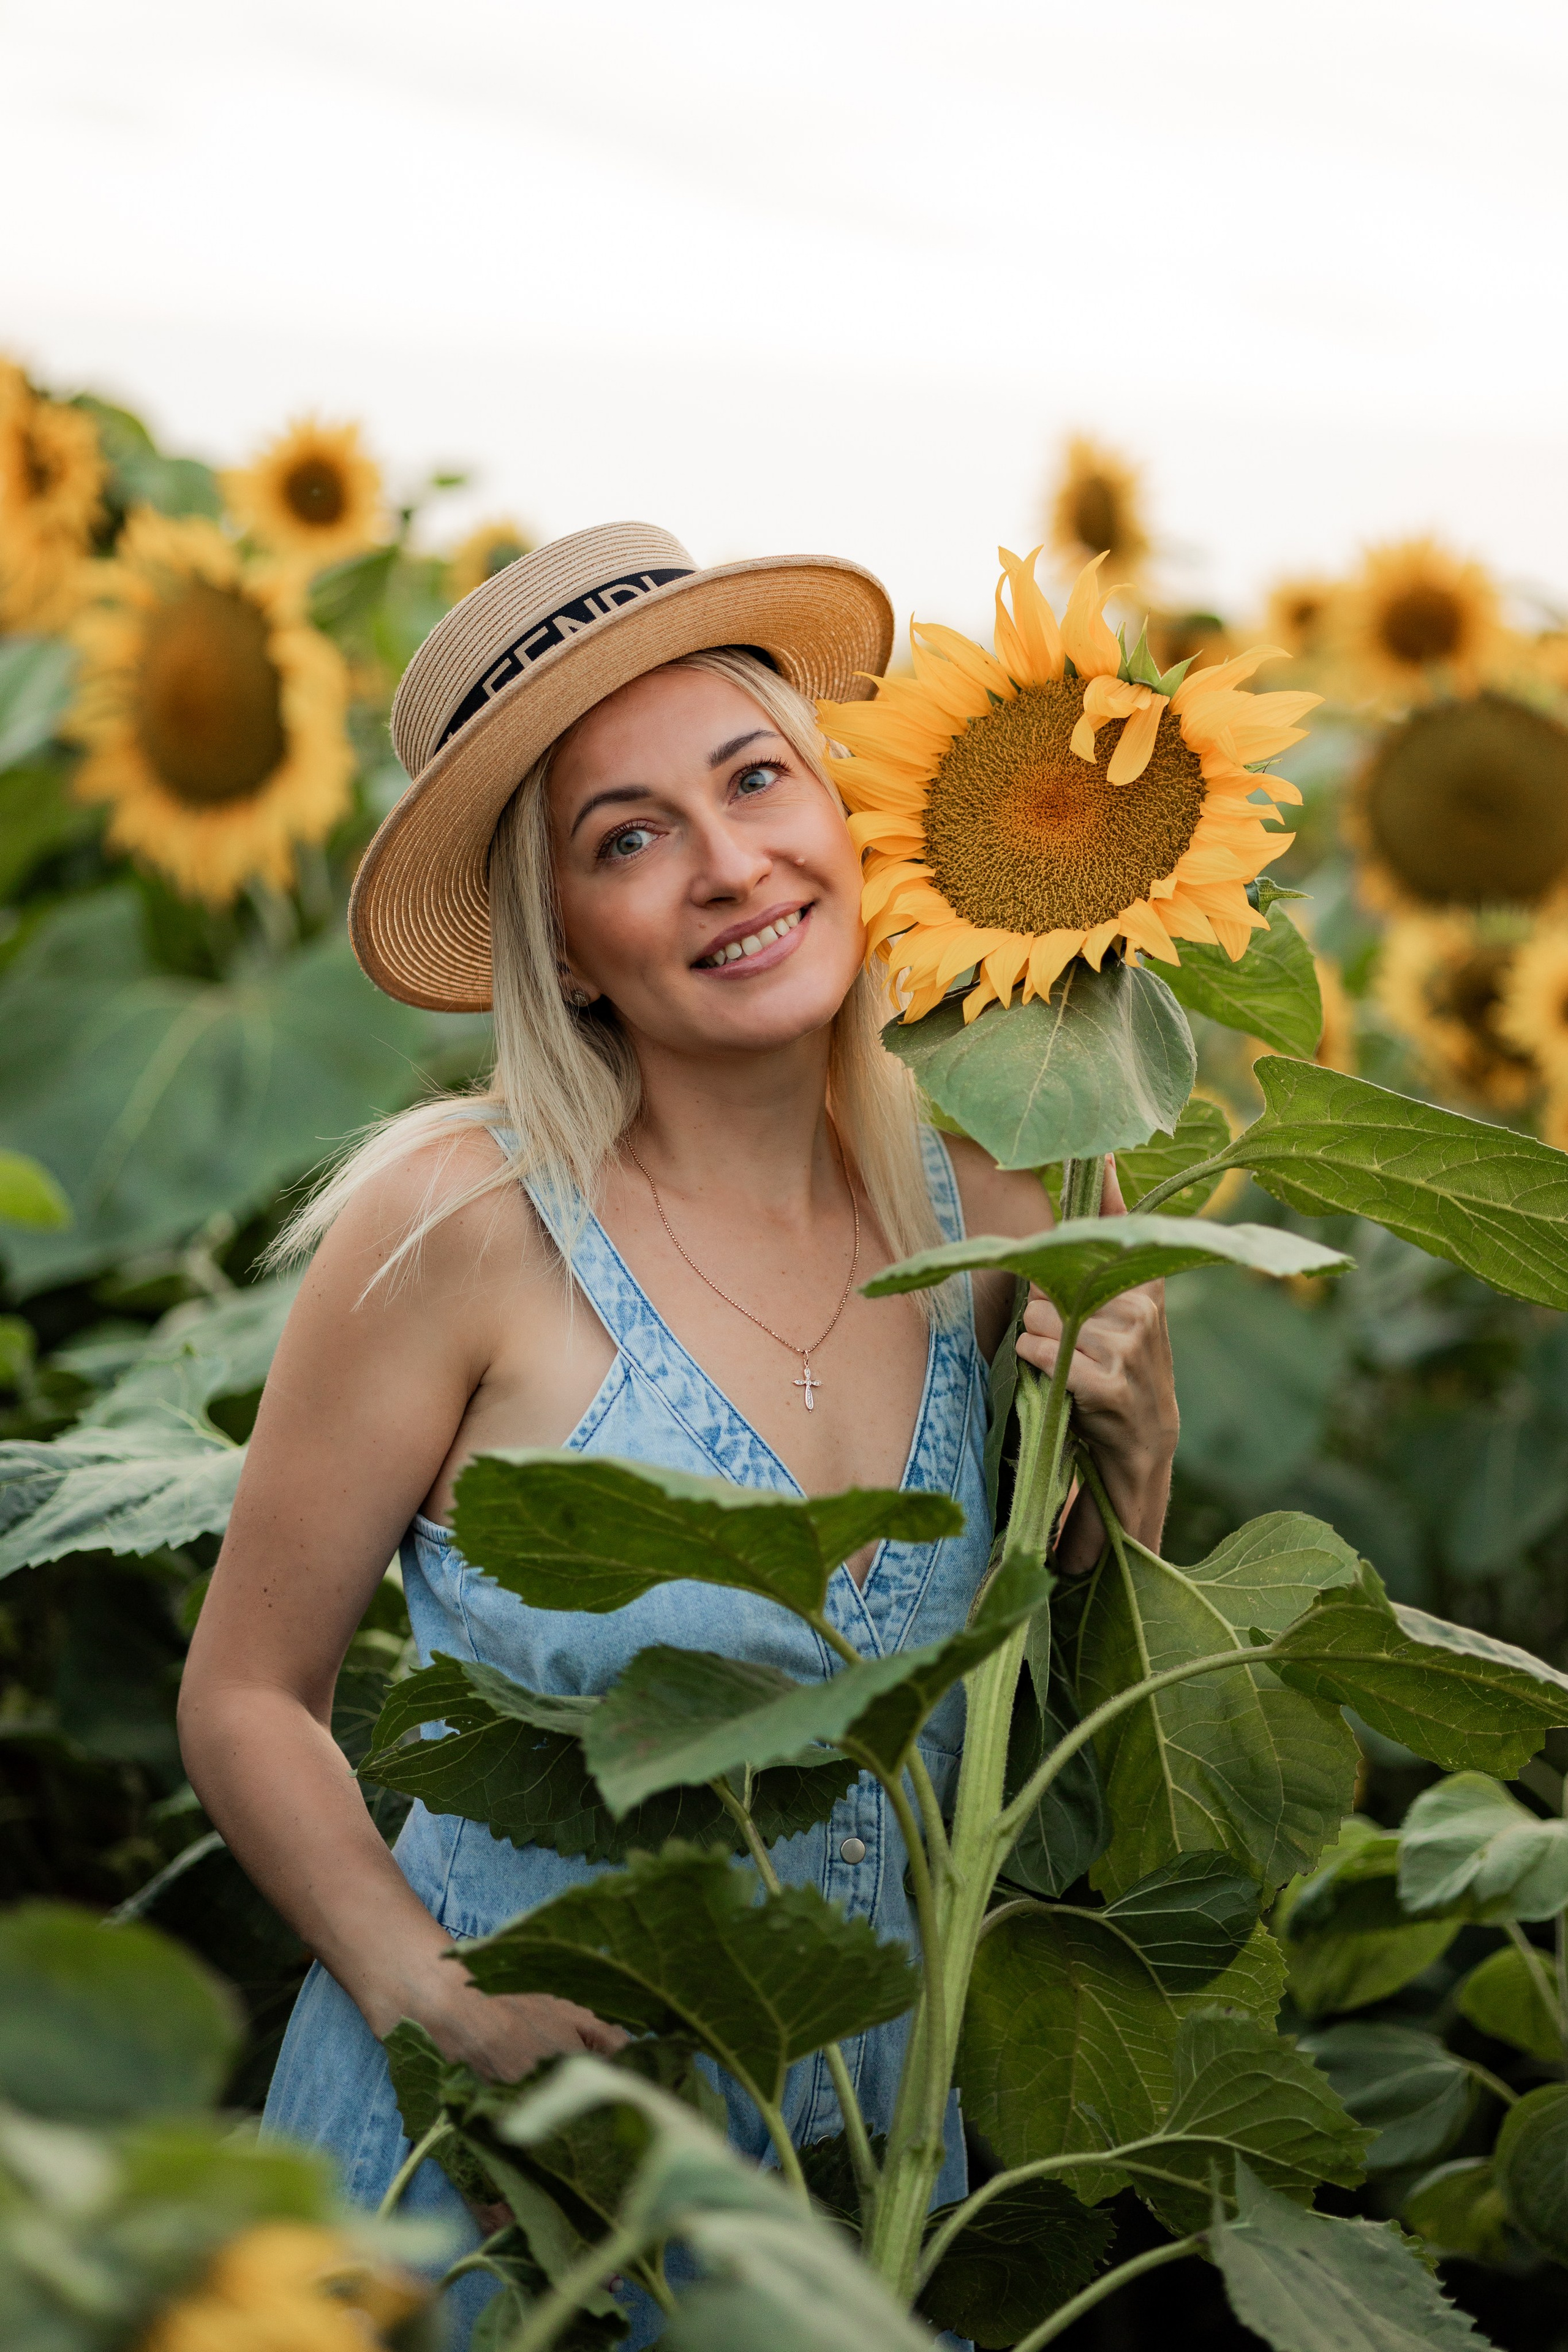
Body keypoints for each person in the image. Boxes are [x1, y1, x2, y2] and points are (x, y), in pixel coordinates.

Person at [178, 522, 1180, 2344]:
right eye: (626, 839)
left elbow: (1039, 1736)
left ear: (844, 805)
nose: (729, 867)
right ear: (560, 943)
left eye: (755, 780)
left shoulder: (1002, 1197)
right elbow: (247, 1693)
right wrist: (438, 2000)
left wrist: (1137, 1469)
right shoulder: (458, 1225)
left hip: (857, 2202)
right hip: (498, 2200)